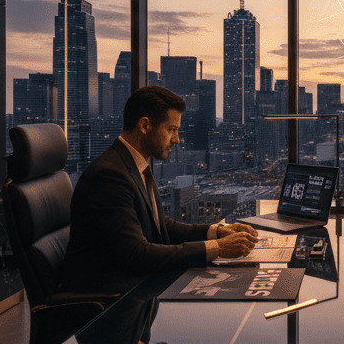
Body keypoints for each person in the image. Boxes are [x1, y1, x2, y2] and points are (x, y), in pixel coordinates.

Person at [59, 86, 258, 294]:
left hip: (138, 287)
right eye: (171, 129)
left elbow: (161, 225)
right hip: (110, 301)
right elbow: (138, 256)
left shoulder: (135, 165)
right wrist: (218, 248)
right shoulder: (110, 176)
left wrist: (216, 232)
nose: (177, 139)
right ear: (145, 125)